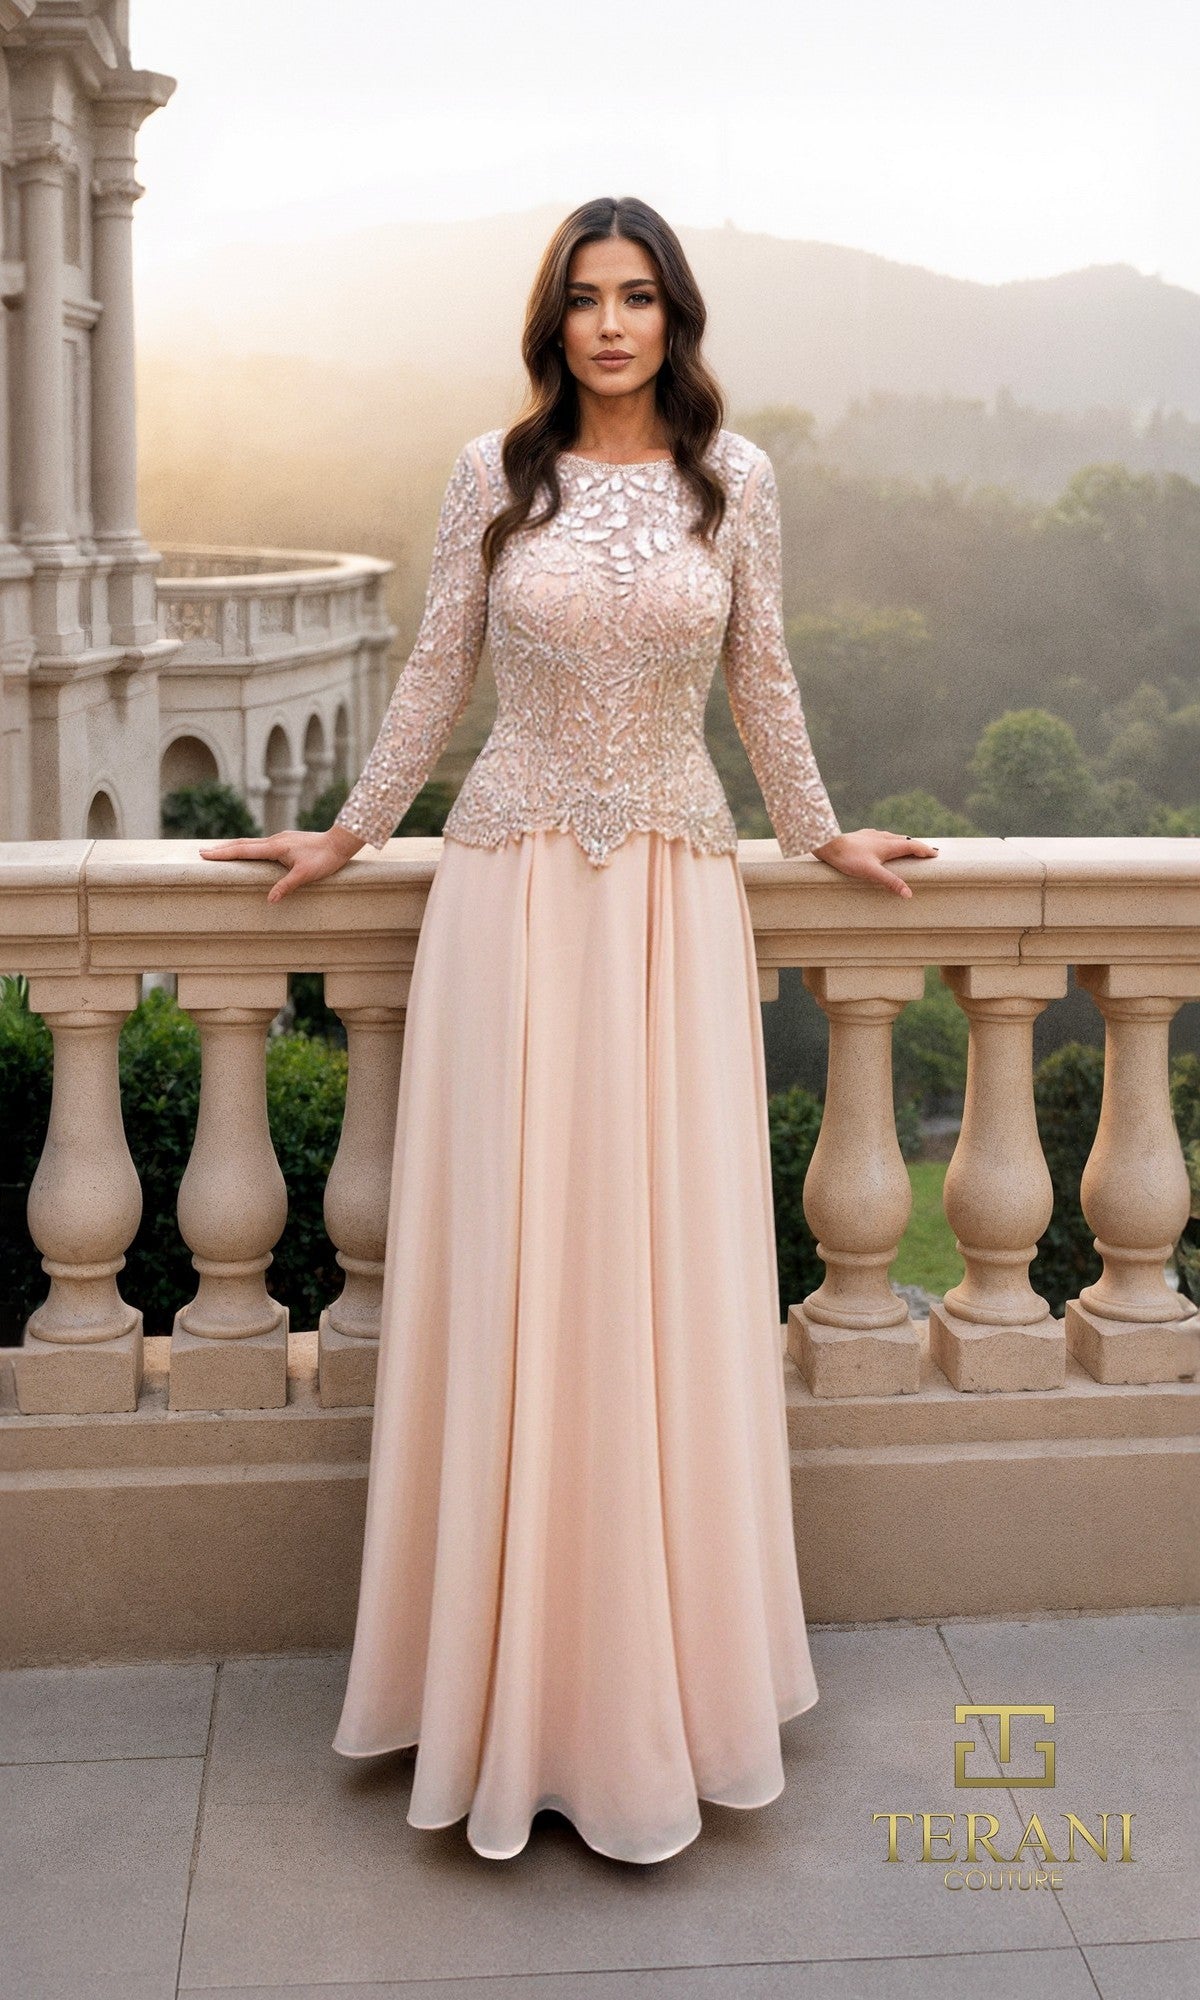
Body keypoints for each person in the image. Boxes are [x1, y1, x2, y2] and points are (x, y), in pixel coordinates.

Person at [201, 194, 937, 1864]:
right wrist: (349, 830)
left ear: (677, 317)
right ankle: (494, 1687)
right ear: (554, 321)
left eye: (640, 296)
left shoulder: (737, 480)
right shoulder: (493, 475)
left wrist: (821, 833)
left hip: (672, 900)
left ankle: (662, 1679)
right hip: (510, 899)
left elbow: (763, 680)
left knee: (659, 1261)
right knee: (512, 1259)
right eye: (587, 298)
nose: (613, 323)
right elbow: (434, 672)